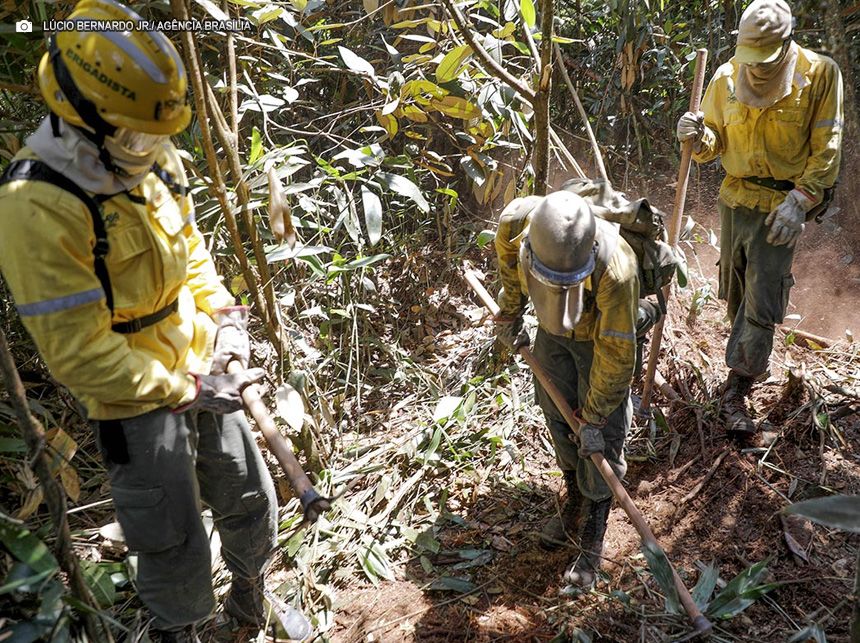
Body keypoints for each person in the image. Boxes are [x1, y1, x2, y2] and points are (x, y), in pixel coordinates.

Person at [0, 1, 288, 640]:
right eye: (134, 138)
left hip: (200, 357)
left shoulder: (150, 149)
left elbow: (189, 253)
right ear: (83, 117)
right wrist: (183, 390)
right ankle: (181, 629)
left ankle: (251, 598)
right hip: (130, 398)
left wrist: (225, 316)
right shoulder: (37, 204)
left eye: (157, 137)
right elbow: (78, 354)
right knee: (169, 535)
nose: (151, 151)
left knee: (250, 494)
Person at [677, 0, 843, 439]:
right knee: (733, 289)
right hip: (735, 197)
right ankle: (747, 360)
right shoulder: (726, 76)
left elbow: (828, 145)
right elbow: (713, 143)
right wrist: (697, 136)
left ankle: (738, 384)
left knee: (761, 294)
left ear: (786, 43)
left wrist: (802, 198)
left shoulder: (820, 74)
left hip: (781, 205)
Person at [494, 191, 659, 586]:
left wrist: (596, 414)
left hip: (599, 332)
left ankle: (594, 532)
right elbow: (508, 270)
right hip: (553, 330)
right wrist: (510, 313)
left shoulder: (617, 269)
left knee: (601, 433)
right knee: (555, 406)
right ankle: (574, 499)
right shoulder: (516, 225)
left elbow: (616, 354)